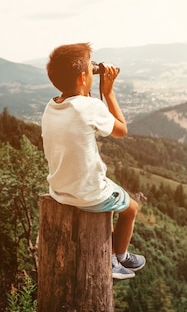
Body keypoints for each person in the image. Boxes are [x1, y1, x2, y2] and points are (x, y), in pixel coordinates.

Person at [41, 43, 145, 280]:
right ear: (81, 78)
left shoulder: (51, 106)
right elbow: (121, 130)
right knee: (131, 208)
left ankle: (111, 254)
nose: (93, 71)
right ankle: (118, 256)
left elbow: (77, 108)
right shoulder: (91, 107)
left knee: (104, 201)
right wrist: (108, 92)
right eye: (91, 68)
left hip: (60, 189)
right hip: (88, 193)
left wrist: (85, 84)